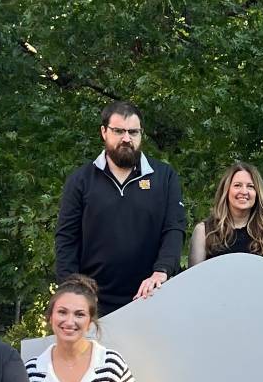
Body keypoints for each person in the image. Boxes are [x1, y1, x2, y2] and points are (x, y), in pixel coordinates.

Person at [55, 101, 186, 314]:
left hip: (152, 297)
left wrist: (161, 272)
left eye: (133, 132)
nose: (127, 139)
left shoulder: (164, 177)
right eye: (118, 131)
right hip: (94, 303)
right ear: (104, 132)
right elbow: (66, 238)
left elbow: (174, 229)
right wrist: (72, 290)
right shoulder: (81, 180)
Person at [189, 162, 263, 265]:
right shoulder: (204, 231)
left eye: (250, 186)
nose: (244, 191)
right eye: (237, 185)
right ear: (226, 190)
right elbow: (195, 278)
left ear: (257, 193)